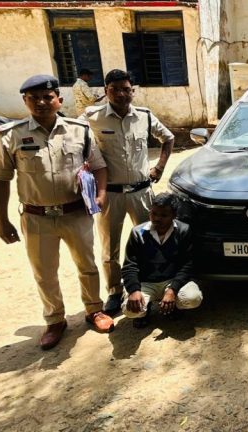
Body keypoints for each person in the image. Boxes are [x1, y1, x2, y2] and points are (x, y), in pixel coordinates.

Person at [0, 74, 114, 350]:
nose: (41, 103)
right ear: (25, 101)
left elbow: (98, 166)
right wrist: (2, 221)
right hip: (37, 217)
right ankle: (55, 319)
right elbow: (0, 179)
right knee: (45, 273)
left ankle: (94, 309)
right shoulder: (10, 135)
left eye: (47, 97)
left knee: (87, 265)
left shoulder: (79, 130)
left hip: (76, 213)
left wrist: (101, 195)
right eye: (33, 98)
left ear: (59, 99)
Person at [80, 69, 176, 315]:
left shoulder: (144, 116)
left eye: (126, 89)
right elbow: (76, 141)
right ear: (106, 91)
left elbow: (168, 138)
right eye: (114, 90)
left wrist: (159, 167)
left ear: (132, 91)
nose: (121, 94)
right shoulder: (92, 117)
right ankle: (114, 292)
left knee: (150, 242)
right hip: (110, 194)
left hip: (140, 193)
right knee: (109, 247)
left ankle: (145, 288)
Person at [121, 193, 202, 328]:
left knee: (193, 298)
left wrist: (172, 290)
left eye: (164, 215)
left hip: (171, 280)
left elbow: (188, 264)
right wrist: (134, 290)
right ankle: (145, 311)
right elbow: (130, 266)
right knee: (130, 310)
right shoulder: (138, 232)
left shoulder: (183, 230)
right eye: (154, 214)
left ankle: (173, 306)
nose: (157, 219)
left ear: (174, 215)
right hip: (146, 282)